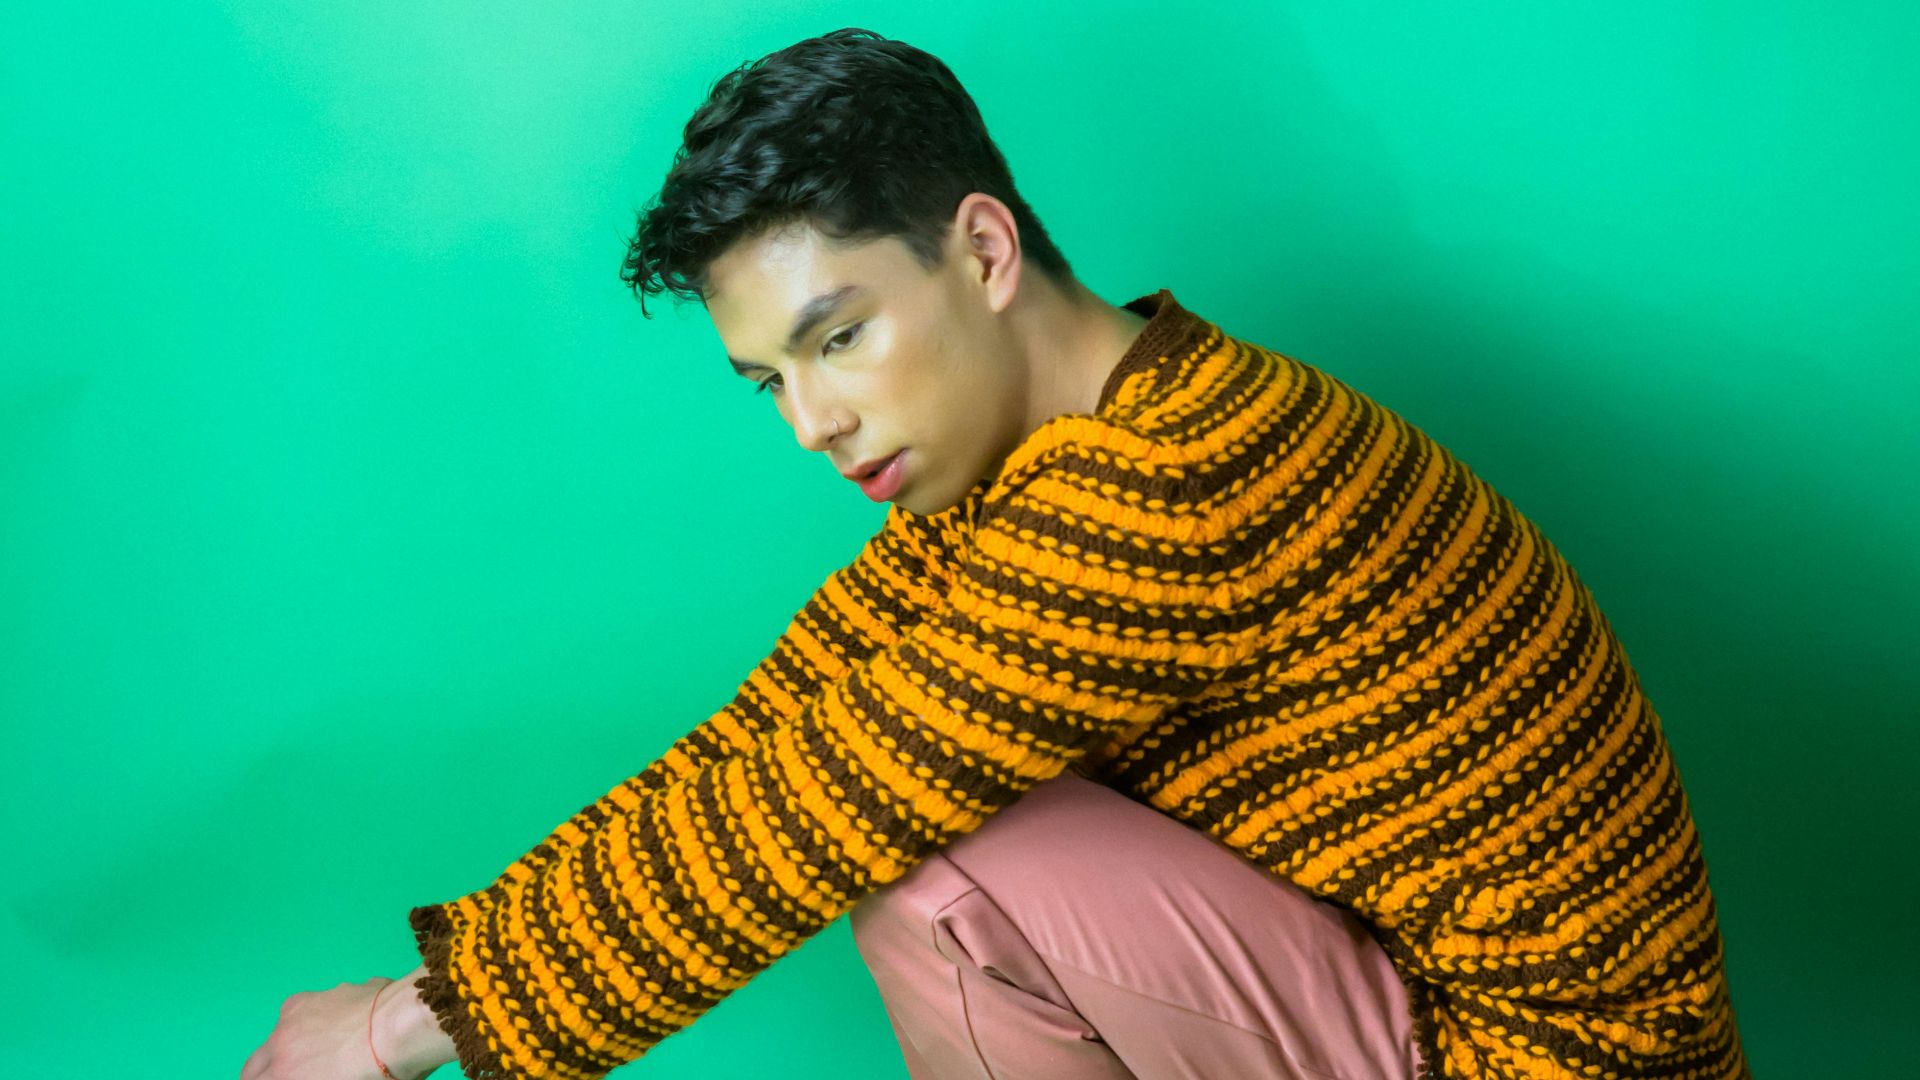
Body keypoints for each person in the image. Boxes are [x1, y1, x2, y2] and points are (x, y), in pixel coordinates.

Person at [242, 27, 1748, 1080]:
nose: (814, 423)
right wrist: (431, 983)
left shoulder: (1171, 483)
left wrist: (396, 1032)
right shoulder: (1071, 447)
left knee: (935, 863)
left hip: (1532, 1063)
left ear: (981, 249)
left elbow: (810, 809)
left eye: (839, 338)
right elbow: (779, 731)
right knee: (879, 793)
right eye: (772, 380)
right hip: (1415, 1009)